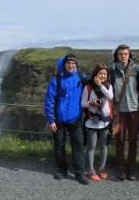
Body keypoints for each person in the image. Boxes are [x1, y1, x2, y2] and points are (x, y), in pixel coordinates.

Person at [44, 54, 89, 185]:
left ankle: (79, 173)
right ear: (64, 65)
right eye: (69, 63)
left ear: (76, 65)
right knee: (59, 146)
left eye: (73, 63)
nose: (71, 65)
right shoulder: (56, 80)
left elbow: (91, 90)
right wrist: (51, 120)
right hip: (59, 119)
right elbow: (49, 100)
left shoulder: (81, 78)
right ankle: (62, 169)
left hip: (76, 118)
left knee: (78, 146)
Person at [110, 44, 139, 181]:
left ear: (129, 55)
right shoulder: (112, 70)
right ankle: (120, 167)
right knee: (120, 140)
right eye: (120, 54)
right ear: (117, 55)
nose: (123, 56)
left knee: (133, 140)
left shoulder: (137, 69)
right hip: (121, 111)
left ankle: (131, 168)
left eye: (125, 54)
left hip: (135, 109)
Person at [81, 64, 113, 181]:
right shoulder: (88, 87)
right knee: (91, 146)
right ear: (96, 74)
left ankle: (102, 168)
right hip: (92, 120)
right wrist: (91, 102)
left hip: (104, 120)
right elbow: (82, 103)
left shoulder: (108, 86)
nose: (103, 75)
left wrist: (100, 85)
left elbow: (110, 96)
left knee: (103, 145)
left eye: (105, 74)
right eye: (100, 73)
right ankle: (90, 169)